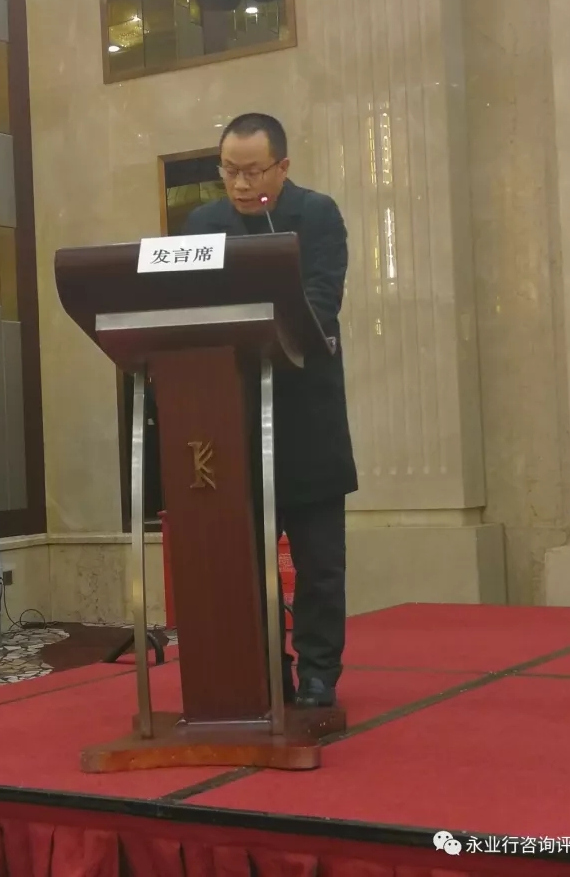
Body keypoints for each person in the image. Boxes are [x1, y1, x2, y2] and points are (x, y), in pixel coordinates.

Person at [182, 113, 358, 708]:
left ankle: (318, 672)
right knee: (244, 563)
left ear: (282, 167)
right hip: (227, 420)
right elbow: (182, 309)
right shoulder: (202, 226)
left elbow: (321, 303)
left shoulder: (318, 215)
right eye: (229, 170)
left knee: (319, 563)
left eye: (253, 170)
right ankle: (261, 670)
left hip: (306, 417)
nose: (240, 183)